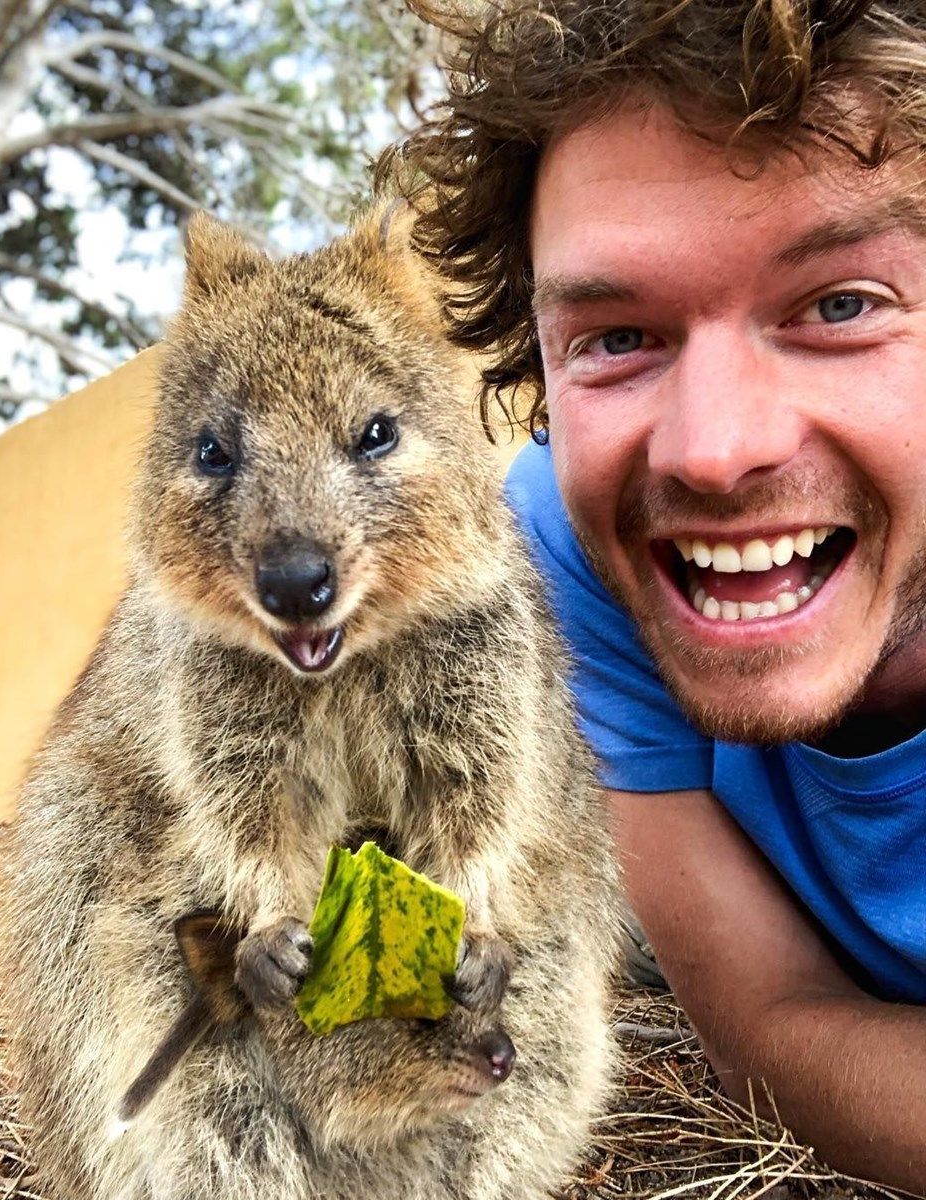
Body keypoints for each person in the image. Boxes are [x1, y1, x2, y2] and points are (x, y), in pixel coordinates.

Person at [380, 1, 926, 1189]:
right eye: (618, 335)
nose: (713, 452)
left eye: (842, 304)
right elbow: (771, 1023)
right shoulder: (556, 541)